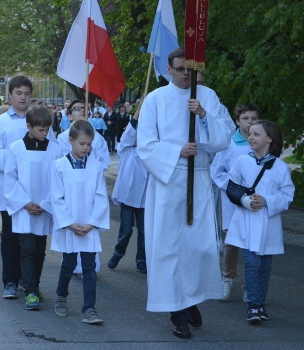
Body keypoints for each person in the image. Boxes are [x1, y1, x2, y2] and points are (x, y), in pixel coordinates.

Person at [137, 48, 233, 339]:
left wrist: (202, 115)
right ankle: (175, 311)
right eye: (180, 69)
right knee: (168, 248)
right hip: (168, 181)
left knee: (199, 246)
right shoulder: (155, 100)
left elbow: (224, 138)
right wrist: (177, 150)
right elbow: (146, 145)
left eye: (190, 70)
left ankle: (190, 298)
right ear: (169, 69)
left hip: (199, 180)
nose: (185, 75)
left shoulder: (208, 96)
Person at [0, 75, 55, 299]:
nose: (23, 98)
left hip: (38, 191)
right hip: (11, 190)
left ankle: (31, 282)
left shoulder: (40, 119)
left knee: (35, 240)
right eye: (18, 93)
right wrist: (19, 160)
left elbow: (51, 149)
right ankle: (10, 281)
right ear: (10, 95)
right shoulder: (1, 122)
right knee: (12, 238)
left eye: (27, 94)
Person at [225, 120, 294, 324]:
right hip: (247, 221)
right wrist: (245, 200)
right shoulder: (242, 162)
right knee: (252, 262)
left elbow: (287, 195)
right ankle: (254, 305)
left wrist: (266, 202)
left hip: (268, 223)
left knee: (264, 266)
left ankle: (260, 303)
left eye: (256, 134)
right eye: (250, 134)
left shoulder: (280, 167)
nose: (251, 138)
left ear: (269, 138)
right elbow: (232, 188)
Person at [50, 120, 109, 325]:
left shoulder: (96, 167)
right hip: (70, 226)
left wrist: (92, 223)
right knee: (68, 265)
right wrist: (69, 223)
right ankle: (61, 296)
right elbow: (56, 197)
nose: (86, 148)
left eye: (89, 144)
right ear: (71, 141)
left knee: (89, 267)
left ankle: (89, 308)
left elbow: (101, 196)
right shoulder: (59, 166)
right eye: (82, 143)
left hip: (89, 226)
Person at [4, 107, 62, 310]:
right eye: (40, 130)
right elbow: (10, 179)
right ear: (28, 126)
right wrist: (24, 203)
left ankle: (35, 286)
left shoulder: (55, 150)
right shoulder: (16, 148)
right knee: (27, 250)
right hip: (23, 208)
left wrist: (46, 203)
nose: (45, 134)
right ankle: (29, 291)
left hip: (44, 207)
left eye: (47, 130)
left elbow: (58, 180)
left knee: (39, 251)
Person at [210, 103, 259, 300]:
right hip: (233, 199)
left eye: (254, 119)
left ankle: (250, 286)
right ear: (238, 121)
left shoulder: (262, 142)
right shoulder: (229, 143)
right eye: (246, 119)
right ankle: (227, 277)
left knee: (252, 244)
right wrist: (231, 188)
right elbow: (217, 171)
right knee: (232, 241)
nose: (250, 123)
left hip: (255, 200)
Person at [107, 104, 148, 273]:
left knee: (144, 233)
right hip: (128, 198)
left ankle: (141, 260)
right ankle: (118, 253)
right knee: (126, 230)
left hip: (145, 200)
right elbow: (129, 131)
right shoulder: (126, 150)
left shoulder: (151, 155)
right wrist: (140, 110)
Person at [57, 100, 110, 171]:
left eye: (84, 108)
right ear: (70, 116)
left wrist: (91, 151)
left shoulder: (98, 137)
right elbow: (61, 163)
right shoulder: (62, 137)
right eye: (77, 109)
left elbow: (104, 164)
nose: (82, 110)